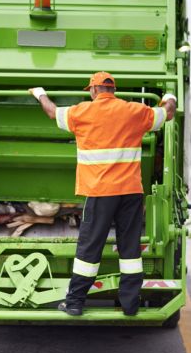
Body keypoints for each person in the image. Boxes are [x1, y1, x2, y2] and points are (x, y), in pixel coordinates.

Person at [29, 71, 176, 316]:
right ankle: (130, 305)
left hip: (99, 192)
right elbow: (168, 113)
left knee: (89, 248)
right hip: (130, 192)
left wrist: (40, 93)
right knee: (130, 250)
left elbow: (52, 112)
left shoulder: (82, 112)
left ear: (94, 90)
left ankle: (75, 302)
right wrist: (169, 95)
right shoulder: (134, 111)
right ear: (112, 89)